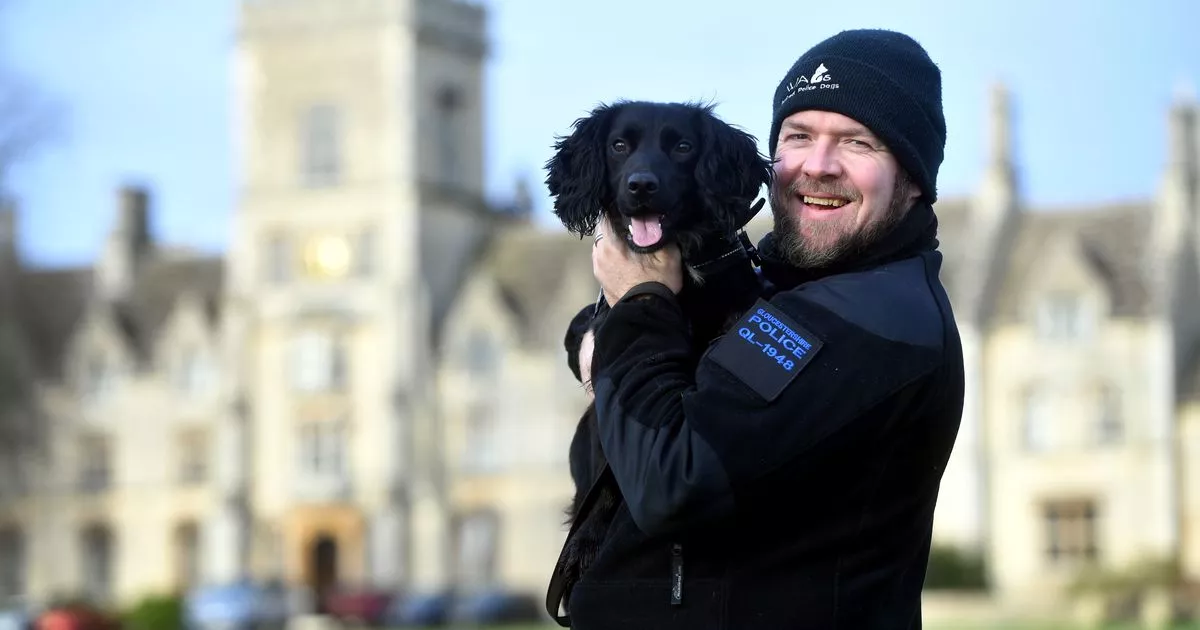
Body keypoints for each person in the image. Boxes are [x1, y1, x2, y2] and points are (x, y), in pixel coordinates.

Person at [565, 28, 965, 629]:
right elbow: (655, 344)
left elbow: (672, 477)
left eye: (857, 142)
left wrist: (639, 304)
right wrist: (595, 334)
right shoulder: (791, 285)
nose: (818, 166)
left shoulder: (868, 320)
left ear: (913, 176)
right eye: (798, 137)